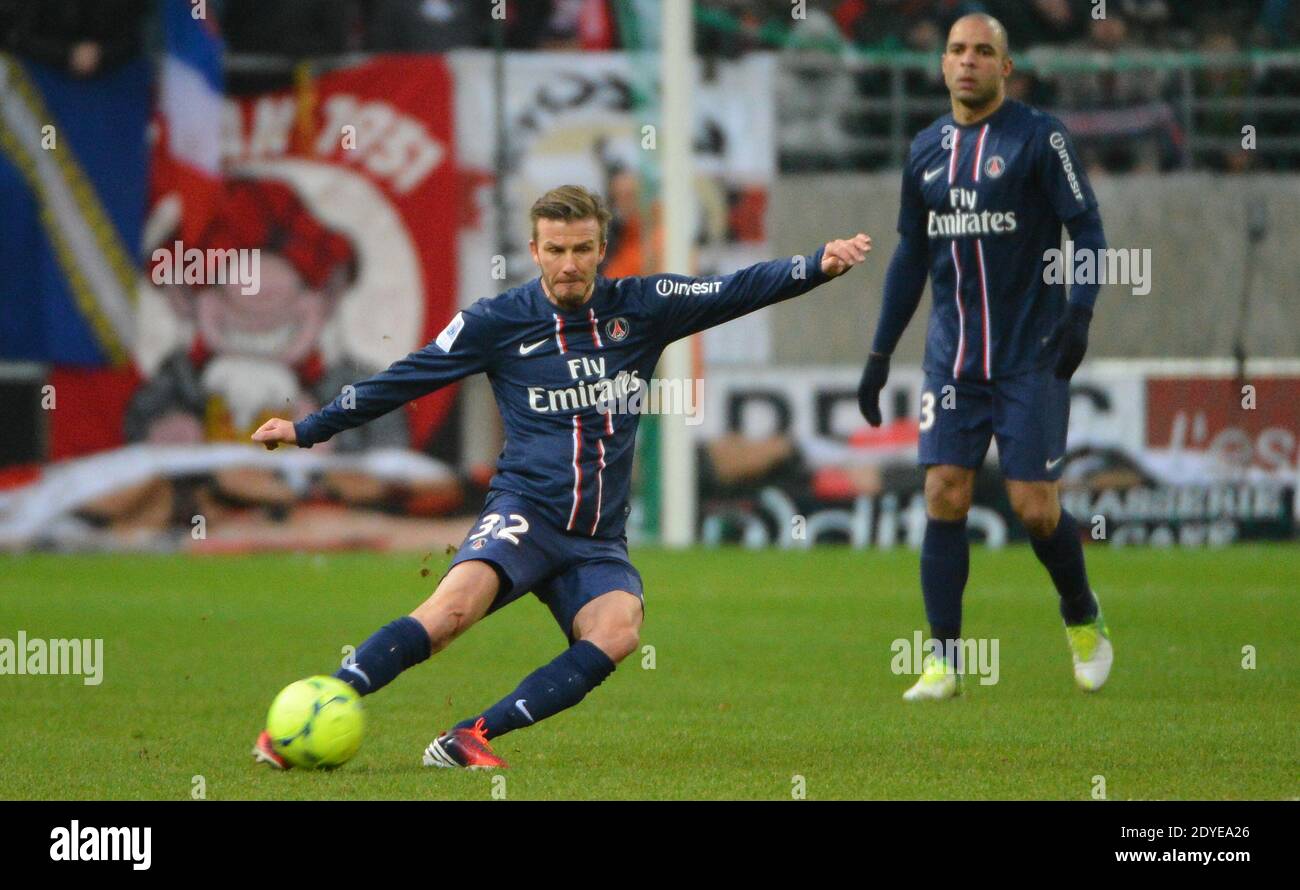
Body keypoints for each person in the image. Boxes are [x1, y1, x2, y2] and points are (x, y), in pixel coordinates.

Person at [251, 185, 872, 767]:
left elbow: (731, 289)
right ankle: (312, 709)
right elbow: (404, 378)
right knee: (449, 615)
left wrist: (814, 264)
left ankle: (470, 736)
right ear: (534, 251)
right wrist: (309, 429)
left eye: (581, 249)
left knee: (619, 629)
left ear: (601, 249)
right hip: (527, 512)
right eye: (555, 250)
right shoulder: (496, 322)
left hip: (597, 536)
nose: (569, 263)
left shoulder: (643, 308)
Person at [855, 14, 1113, 701]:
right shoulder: (924, 151)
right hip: (953, 361)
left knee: (1035, 508)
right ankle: (943, 661)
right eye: (958, 51)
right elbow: (912, 255)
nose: (968, 62)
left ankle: (1082, 614)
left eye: (984, 52)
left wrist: (1080, 313)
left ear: (1006, 67)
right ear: (942, 65)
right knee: (944, 491)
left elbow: (1086, 228)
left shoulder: (1039, 137)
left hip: (1031, 355)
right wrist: (880, 353)